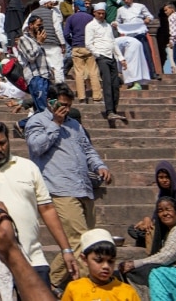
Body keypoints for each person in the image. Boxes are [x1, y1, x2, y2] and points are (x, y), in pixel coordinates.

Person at [0, 120, 78, 289]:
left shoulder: (29, 167)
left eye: (2, 143)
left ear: (9, 141)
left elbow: (47, 209)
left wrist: (66, 250)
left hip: (34, 260)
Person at [25, 84, 113, 289]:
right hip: (59, 188)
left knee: (84, 241)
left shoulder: (75, 125)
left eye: (68, 105)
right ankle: (86, 288)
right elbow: (36, 147)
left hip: (83, 187)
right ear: (50, 102)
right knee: (80, 240)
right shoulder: (36, 121)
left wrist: (100, 166)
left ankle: (49, 283)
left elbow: (88, 149)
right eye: (61, 104)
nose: (65, 109)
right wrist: (55, 123)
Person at [119, 197, 176, 301]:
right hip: (175, 271)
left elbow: (165, 257)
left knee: (156, 273)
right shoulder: (167, 231)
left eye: (168, 209)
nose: (165, 213)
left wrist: (135, 263)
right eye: (160, 211)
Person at [59, 229, 140, 301]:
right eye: (99, 261)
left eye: (110, 261)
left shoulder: (127, 292)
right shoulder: (74, 288)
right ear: (84, 259)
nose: (106, 266)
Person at [84, 5, 127, 123]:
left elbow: (113, 42)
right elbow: (88, 43)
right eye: (99, 13)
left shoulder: (107, 26)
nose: (101, 15)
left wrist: (121, 58)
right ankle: (109, 111)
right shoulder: (90, 26)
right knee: (107, 82)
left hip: (111, 56)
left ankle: (114, 109)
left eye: (103, 13)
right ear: (94, 13)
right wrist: (97, 54)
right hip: (101, 57)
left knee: (115, 84)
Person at [114, 0, 156, 80]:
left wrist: (147, 19)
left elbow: (150, 16)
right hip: (129, 36)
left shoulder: (140, 6)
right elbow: (118, 21)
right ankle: (133, 76)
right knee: (131, 57)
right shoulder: (120, 10)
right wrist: (115, 24)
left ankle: (152, 73)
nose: (126, 1)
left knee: (146, 53)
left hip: (140, 33)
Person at [16, 16, 52, 115]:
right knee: (43, 110)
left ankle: (21, 125)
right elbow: (31, 57)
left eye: (42, 25)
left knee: (42, 109)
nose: (40, 27)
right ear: (31, 25)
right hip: (35, 77)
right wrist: (39, 43)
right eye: (38, 25)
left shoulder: (36, 39)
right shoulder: (23, 39)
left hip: (44, 76)